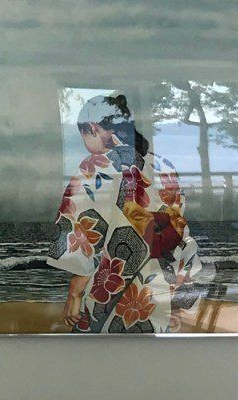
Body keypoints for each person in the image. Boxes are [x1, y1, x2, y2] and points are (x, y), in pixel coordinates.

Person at [46, 93, 202, 333]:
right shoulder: (163, 167)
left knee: (101, 352)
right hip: (159, 287)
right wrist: (179, 293)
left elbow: (85, 235)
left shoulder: (95, 168)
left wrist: (75, 292)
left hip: (110, 286)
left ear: (93, 128)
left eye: (83, 135)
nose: (84, 142)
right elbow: (179, 231)